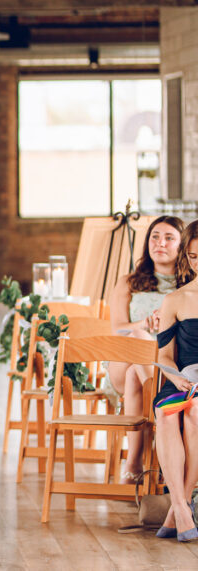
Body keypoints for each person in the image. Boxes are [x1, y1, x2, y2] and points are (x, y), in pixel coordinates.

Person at [107, 216, 192, 483]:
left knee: (137, 374)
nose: (160, 243)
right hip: (126, 355)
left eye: (169, 238)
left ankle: (133, 463)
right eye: (155, 236)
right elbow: (116, 328)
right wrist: (143, 323)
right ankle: (163, 405)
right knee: (140, 337)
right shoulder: (129, 282)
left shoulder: (187, 288)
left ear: (182, 246)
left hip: (162, 365)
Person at [152, 219, 198, 542]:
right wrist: (175, 376)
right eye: (194, 256)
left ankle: (175, 508)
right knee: (167, 416)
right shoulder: (176, 300)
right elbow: (164, 356)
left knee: (194, 414)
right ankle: (183, 508)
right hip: (181, 380)